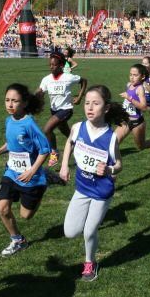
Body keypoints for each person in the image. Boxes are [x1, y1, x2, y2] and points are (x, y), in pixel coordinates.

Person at [59, 85, 127, 282]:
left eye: (95, 104)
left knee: (89, 231)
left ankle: (90, 262)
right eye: (87, 103)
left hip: (102, 190)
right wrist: (64, 166)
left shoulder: (111, 137)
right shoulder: (78, 127)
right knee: (70, 232)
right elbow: (69, 143)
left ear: (106, 108)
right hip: (82, 187)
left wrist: (109, 170)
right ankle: (92, 223)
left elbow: (120, 164)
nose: (89, 107)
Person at [0, 84, 51, 256]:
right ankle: (17, 240)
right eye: (7, 100)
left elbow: (45, 150)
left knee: (25, 215)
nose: (10, 105)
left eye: (15, 101)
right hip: (11, 172)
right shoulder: (9, 120)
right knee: (2, 208)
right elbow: (11, 143)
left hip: (31, 176)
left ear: (24, 103)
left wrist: (32, 171)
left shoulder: (30, 124)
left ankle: (44, 183)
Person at [37, 53, 87, 167]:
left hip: (66, 110)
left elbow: (84, 81)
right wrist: (35, 96)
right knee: (68, 134)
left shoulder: (68, 77)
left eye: (54, 65)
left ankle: (54, 152)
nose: (51, 67)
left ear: (60, 66)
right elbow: (40, 90)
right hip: (54, 111)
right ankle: (81, 146)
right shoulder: (46, 79)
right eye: (50, 64)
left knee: (47, 129)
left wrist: (79, 97)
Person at [114, 64, 150, 154]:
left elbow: (143, 107)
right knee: (113, 142)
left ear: (142, 76)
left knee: (141, 146)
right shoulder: (128, 85)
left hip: (137, 122)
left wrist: (130, 98)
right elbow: (127, 103)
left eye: (135, 75)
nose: (132, 77)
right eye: (131, 74)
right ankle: (111, 164)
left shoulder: (140, 89)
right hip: (125, 120)